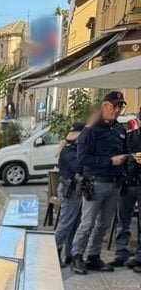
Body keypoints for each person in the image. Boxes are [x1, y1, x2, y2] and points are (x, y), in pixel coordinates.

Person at [70, 91, 129, 275]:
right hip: (95, 183)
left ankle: (93, 256)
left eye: (120, 107)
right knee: (87, 223)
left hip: (114, 184)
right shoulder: (91, 130)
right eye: (114, 106)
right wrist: (110, 161)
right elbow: (82, 159)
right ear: (104, 106)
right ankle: (76, 256)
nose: (117, 110)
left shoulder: (120, 130)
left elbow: (124, 152)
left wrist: (125, 166)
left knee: (104, 224)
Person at [109, 117, 141, 271]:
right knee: (123, 221)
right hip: (127, 182)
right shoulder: (127, 134)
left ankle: (139, 257)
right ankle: (121, 253)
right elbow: (120, 154)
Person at [55, 123, 85, 266]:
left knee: (74, 224)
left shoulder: (70, 149)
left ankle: (69, 254)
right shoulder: (69, 151)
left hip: (74, 190)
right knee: (66, 223)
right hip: (70, 190)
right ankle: (54, 251)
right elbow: (79, 166)